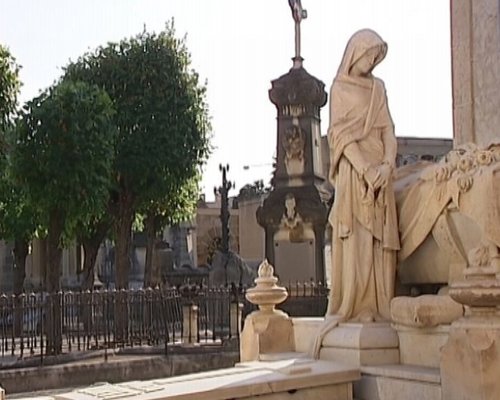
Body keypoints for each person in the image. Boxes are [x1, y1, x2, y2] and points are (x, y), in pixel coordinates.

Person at [326, 29, 400, 323]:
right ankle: (356, 306)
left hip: (380, 174)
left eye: (376, 57)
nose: (372, 62)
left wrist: (387, 165)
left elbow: (388, 131)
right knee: (358, 238)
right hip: (356, 173)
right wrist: (366, 170)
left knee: (380, 242)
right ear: (355, 53)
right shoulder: (339, 89)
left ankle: (380, 305)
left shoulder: (378, 89)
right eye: (369, 55)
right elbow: (340, 137)